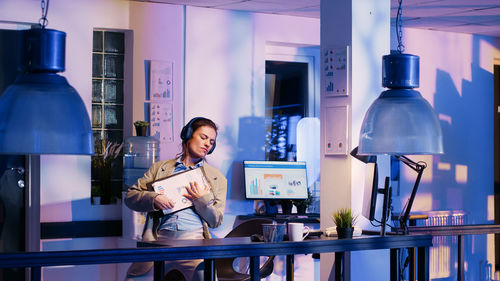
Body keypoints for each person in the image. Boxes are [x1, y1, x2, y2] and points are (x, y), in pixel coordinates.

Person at [125, 117, 227, 281]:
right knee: (133, 279)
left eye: (212, 141)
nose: (208, 144)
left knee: (205, 276)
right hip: (159, 241)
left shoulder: (217, 178)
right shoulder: (159, 168)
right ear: (188, 135)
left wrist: (201, 199)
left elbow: (217, 221)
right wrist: (154, 198)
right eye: (203, 137)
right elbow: (130, 197)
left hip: (194, 243)